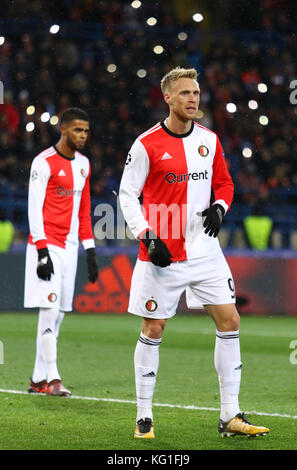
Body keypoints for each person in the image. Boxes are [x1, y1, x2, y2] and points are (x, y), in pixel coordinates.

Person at [119, 67, 269, 438]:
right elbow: (126, 195)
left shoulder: (210, 140)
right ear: (167, 98)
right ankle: (144, 416)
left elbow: (225, 182)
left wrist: (220, 206)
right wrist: (147, 236)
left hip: (205, 254)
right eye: (184, 92)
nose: (193, 98)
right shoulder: (146, 144)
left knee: (230, 322)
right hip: (162, 255)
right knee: (153, 328)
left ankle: (231, 416)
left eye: (196, 92)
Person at [24, 107, 98, 396]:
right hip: (47, 245)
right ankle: (53, 378)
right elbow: (34, 207)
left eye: (86, 130)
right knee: (49, 309)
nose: (83, 135)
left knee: (58, 316)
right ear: (64, 129)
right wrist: (41, 250)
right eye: (78, 129)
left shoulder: (84, 164)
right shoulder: (43, 162)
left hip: (70, 249)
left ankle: (37, 379)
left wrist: (90, 250)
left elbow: (83, 211)